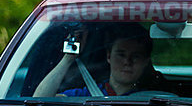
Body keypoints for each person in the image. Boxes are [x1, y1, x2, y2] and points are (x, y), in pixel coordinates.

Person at [33, 23, 165, 97]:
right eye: (121, 54)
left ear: (146, 61)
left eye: (136, 56)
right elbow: (39, 99)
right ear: (108, 56)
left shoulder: (154, 100)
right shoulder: (85, 94)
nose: (127, 61)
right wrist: (68, 59)